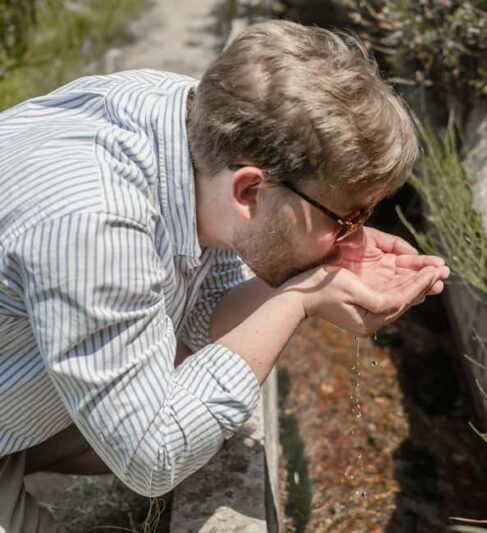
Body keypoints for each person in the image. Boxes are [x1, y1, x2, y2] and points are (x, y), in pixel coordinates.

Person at [0, 20, 449, 531]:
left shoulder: (190, 126)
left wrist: (318, 269)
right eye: (346, 218)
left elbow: (198, 318)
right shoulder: (95, 226)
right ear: (249, 192)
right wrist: (295, 300)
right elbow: (154, 453)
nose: (353, 239)